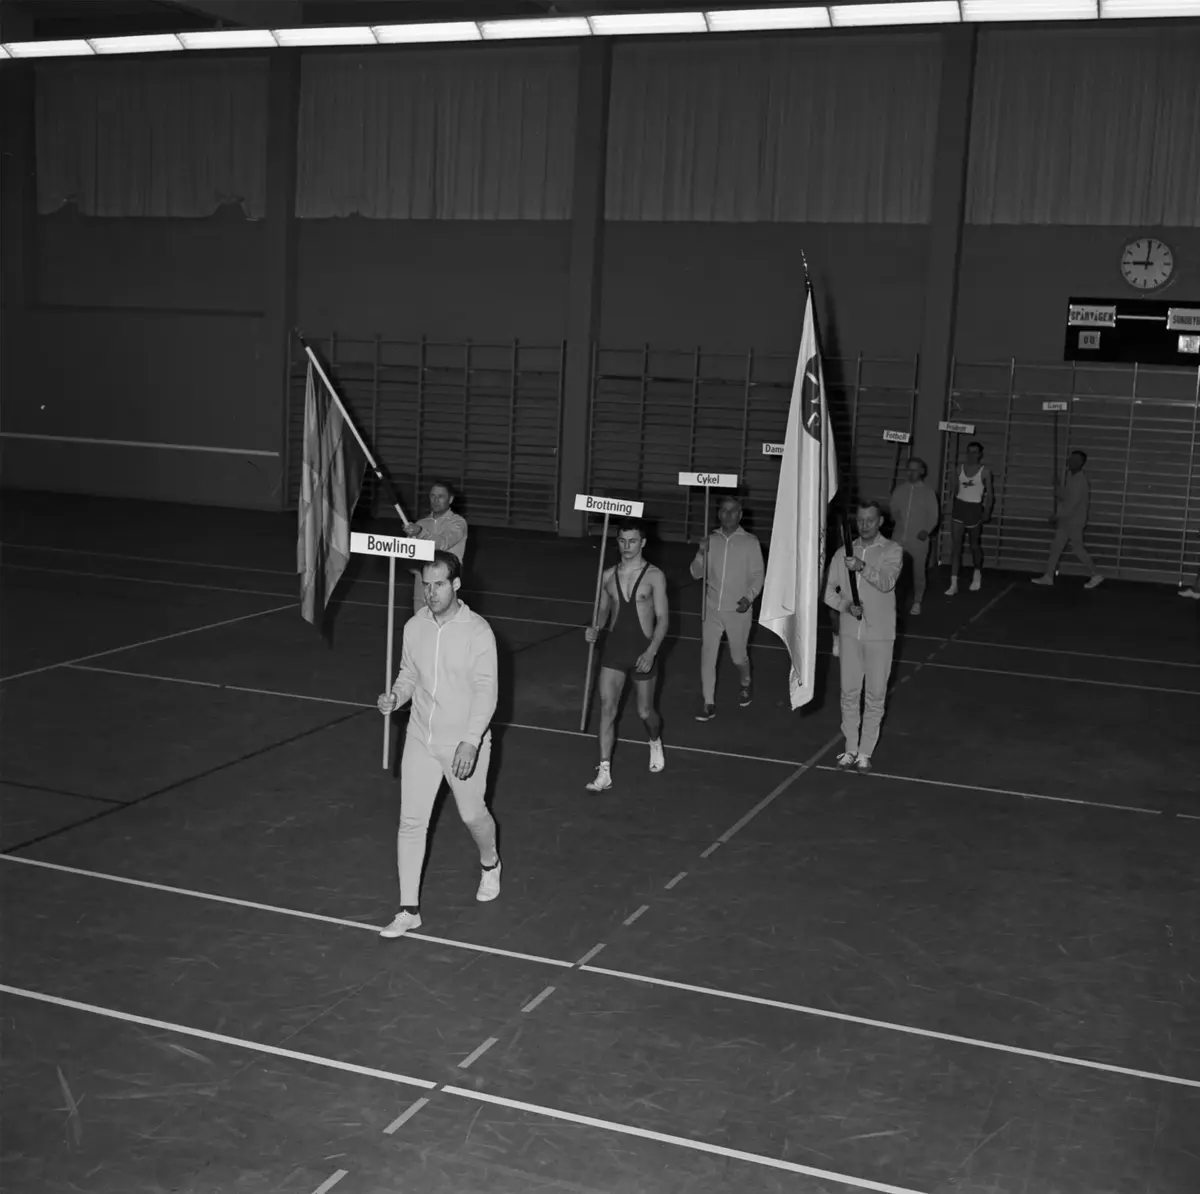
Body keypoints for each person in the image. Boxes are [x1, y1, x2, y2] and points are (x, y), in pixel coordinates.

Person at [376, 550, 499, 939]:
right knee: (411, 822)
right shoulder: (415, 627)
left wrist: (470, 741)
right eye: (426, 585)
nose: (431, 593)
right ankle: (408, 909)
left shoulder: (478, 631)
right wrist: (395, 697)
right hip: (419, 738)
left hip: (463, 742)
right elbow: (408, 673)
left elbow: (486, 691)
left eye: (439, 584)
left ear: (456, 585)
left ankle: (490, 861)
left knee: (472, 815)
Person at [583, 520, 668, 791]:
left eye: (632, 541)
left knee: (645, 712)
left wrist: (652, 651)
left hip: (643, 650)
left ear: (643, 542)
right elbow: (603, 610)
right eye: (622, 541)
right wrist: (595, 627)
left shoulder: (655, 575)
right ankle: (604, 770)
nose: (627, 546)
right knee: (608, 709)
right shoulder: (607, 575)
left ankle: (654, 740)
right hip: (614, 651)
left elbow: (663, 619)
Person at [824, 500, 903, 774]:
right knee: (848, 693)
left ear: (880, 522)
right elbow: (828, 593)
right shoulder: (841, 553)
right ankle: (850, 748)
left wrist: (861, 567)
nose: (865, 524)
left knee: (876, 695)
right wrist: (846, 606)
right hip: (849, 634)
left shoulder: (892, 550)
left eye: (870, 520)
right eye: (861, 520)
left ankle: (866, 752)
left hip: (880, 635)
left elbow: (887, 582)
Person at [690, 496, 765, 721]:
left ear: (740, 515)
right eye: (724, 510)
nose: (728, 515)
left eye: (733, 511)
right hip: (712, 609)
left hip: (738, 610)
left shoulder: (750, 542)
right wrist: (701, 552)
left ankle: (745, 681)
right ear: (718, 513)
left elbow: (757, 575)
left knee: (738, 657)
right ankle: (708, 702)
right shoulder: (710, 540)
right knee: (708, 655)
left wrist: (749, 597)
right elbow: (695, 573)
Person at [1033, 450, 1103, 589]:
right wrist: (1057, 486)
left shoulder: (1080, 481)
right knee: (1056, 547)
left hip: (1074, 522)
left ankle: (1096, 574)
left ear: (1080, 463)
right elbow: (1065, 496)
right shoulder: (1072, 478)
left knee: (1077, 549)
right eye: (1070, 458)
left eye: (1074, 459)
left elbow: (1071, 504)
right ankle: (1048, 576)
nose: (1070, 461)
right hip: (1067, 521)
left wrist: (1056, 516)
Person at [406, 481, 468, 613]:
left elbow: (443, 543)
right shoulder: (421, 523)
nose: (435, 500)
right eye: (432, 496)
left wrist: (420, 533)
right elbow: (410, 554)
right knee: (421, 623)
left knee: (444, 625)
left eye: (440, 496)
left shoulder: (458, 522)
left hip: (445, 583)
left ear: (450, 499)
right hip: (422, 585)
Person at [889, 457, 939, 615]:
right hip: (898, 538)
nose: (911, 473)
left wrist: (926, 531)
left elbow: (933, 516)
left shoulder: (928, 492)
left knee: (918, 572)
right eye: (909, 469)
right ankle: (892, 602)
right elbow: (894, 511)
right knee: (893, 570)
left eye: (915, 470)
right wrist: (898, 524)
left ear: (922, 472)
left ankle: (917, 601)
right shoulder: (899, 490)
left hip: (918, 541)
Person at [945, 440, 993, 595]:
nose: (971, 455)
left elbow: (991, 495)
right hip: (960, 507)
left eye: (974, 452)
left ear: (980, 455)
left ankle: (977, 573)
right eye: (969, 452)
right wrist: (950, 507)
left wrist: (987, 512)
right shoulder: (958, 469)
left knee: (974, 545)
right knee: (956, 546)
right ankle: (953, 583)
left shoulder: (985, 472)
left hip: (974, 508)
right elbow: (954, 491)